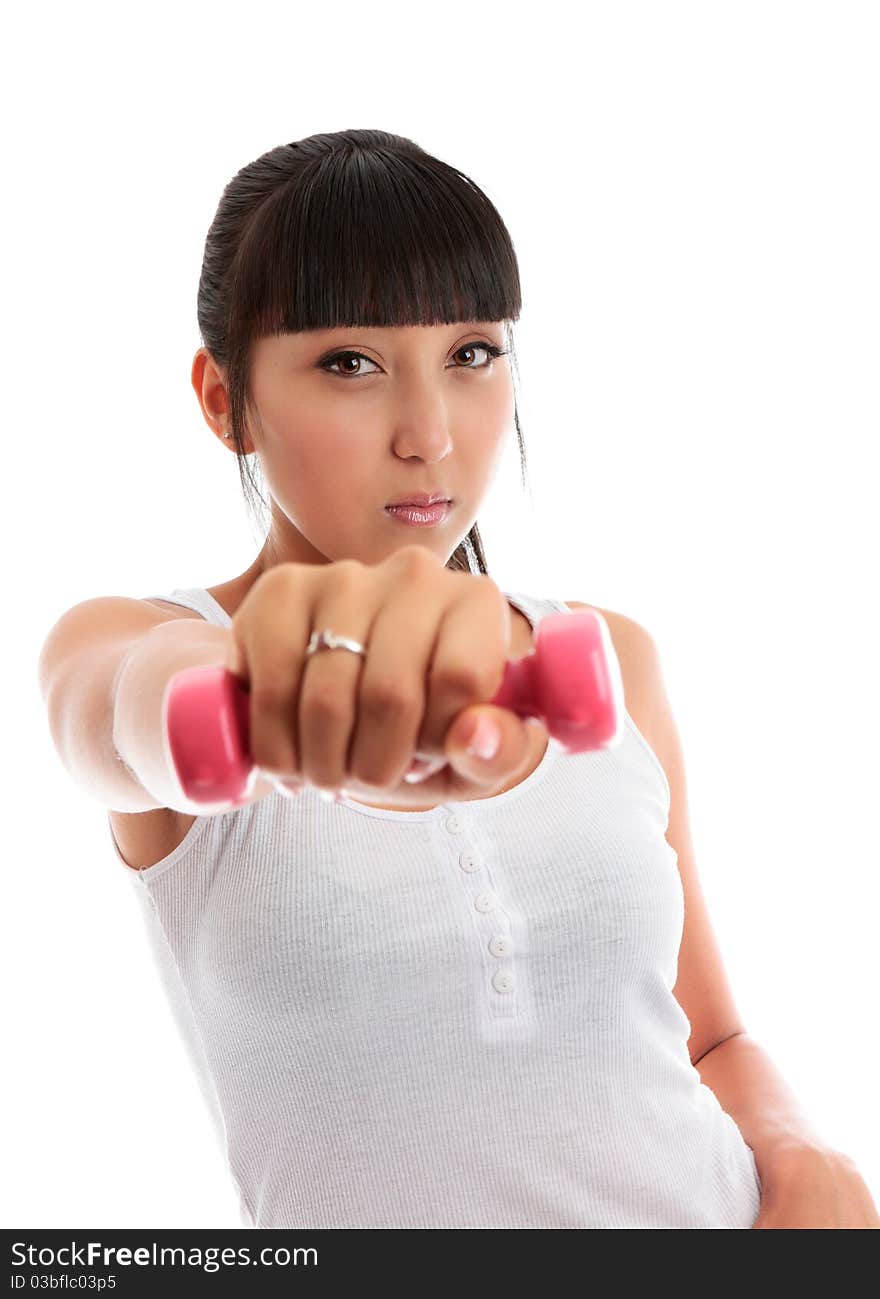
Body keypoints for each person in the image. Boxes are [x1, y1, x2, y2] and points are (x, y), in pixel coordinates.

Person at [38, 129, 878, 1230]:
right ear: (224, 400)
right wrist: (249, 700)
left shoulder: (609, 655)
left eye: (472, 353)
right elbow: (128, 709)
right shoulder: (131, 641)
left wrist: (808, 1165)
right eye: (349, 362)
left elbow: (709, 1034)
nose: (429, 434)